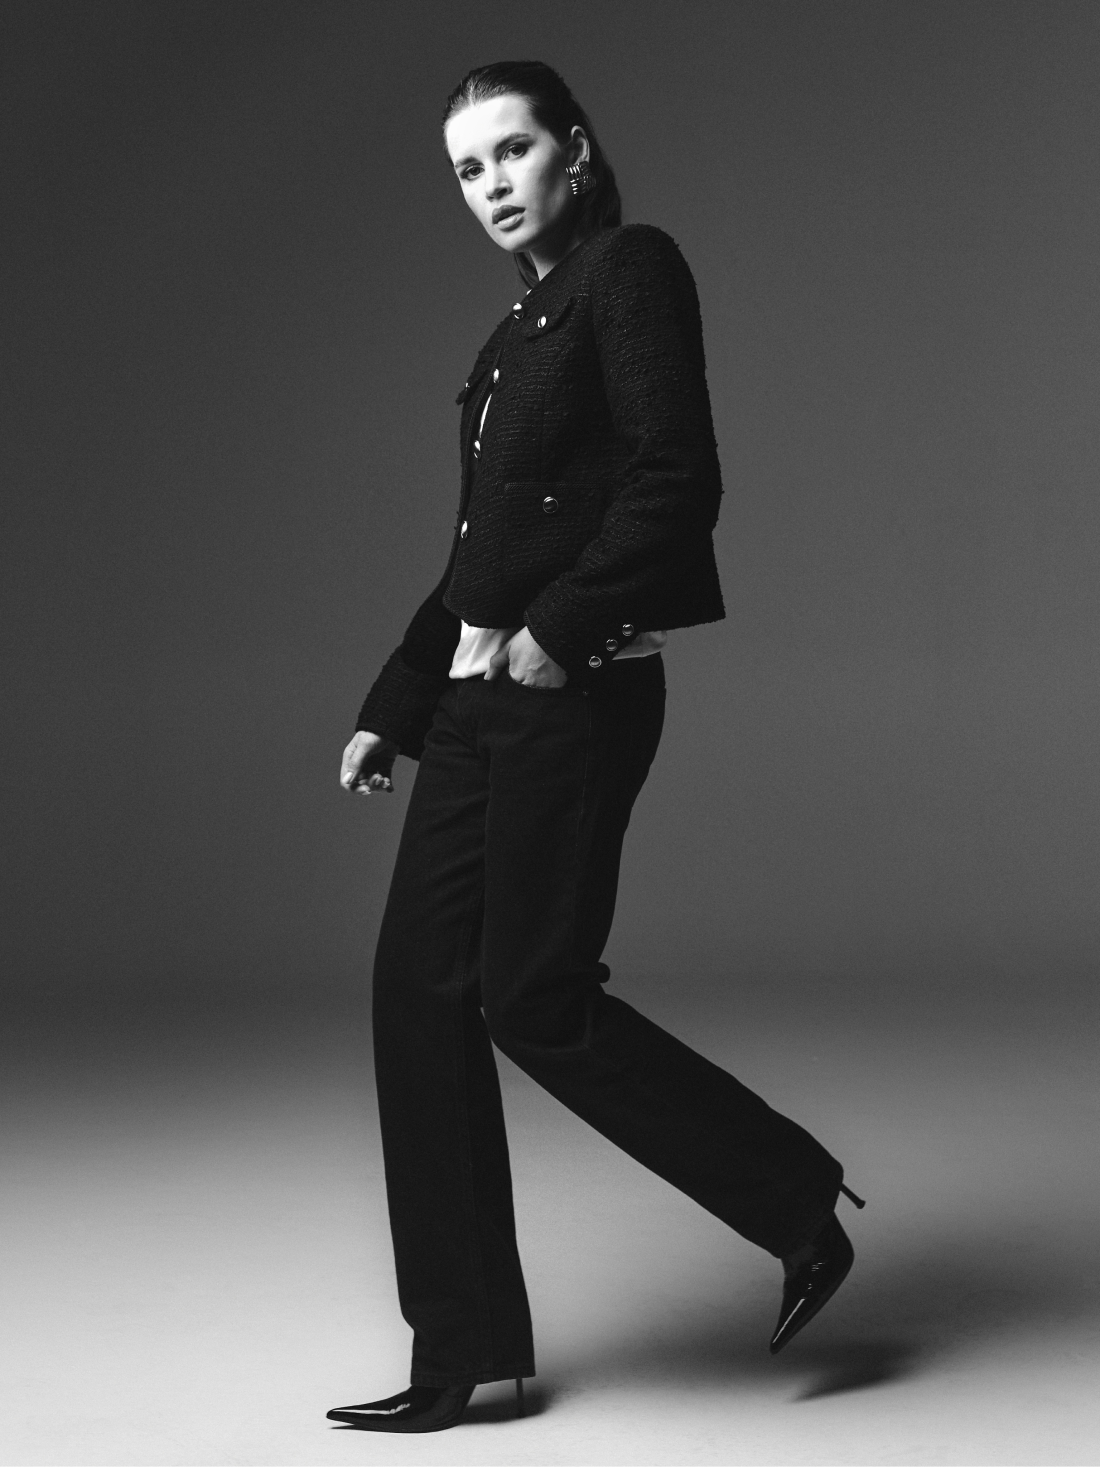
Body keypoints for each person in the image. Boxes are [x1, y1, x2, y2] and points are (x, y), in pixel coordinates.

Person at [327, 60, 864, 1435]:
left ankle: (794, 1198)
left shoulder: (631, 270)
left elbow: (679, 475)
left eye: (511, 152)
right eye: (468, 170)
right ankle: (464, 1354)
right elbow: (479, 556)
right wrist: (398, 701)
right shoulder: (515, 333)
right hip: (475, 703)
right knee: (415, 995)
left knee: (533, 997)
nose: (492, 186)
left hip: (572, 693)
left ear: (575, 149)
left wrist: (559, 635)